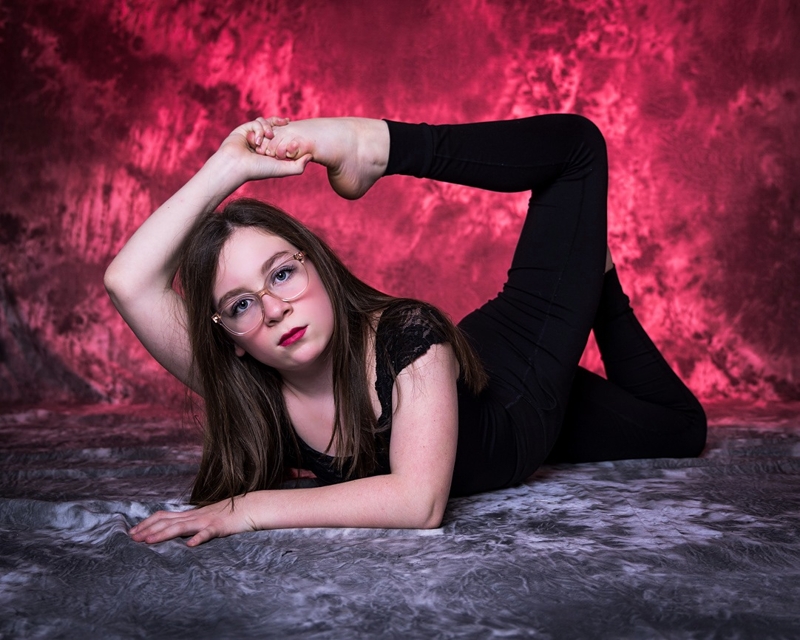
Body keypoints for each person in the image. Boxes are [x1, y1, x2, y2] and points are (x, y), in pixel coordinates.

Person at [104, 114, 707, 547]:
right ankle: (587, 271)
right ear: (227, 334)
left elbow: (418, 504)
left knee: (577, 148)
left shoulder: (408, 335)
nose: (274, 309)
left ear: (319, 264)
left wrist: (247, 510)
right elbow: (128, 281)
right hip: (468, 402)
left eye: (283, 273)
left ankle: (380, 145)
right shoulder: (244, 382)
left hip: (518, 390)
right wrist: (227, 168)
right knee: (681, 428)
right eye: (239, 304)